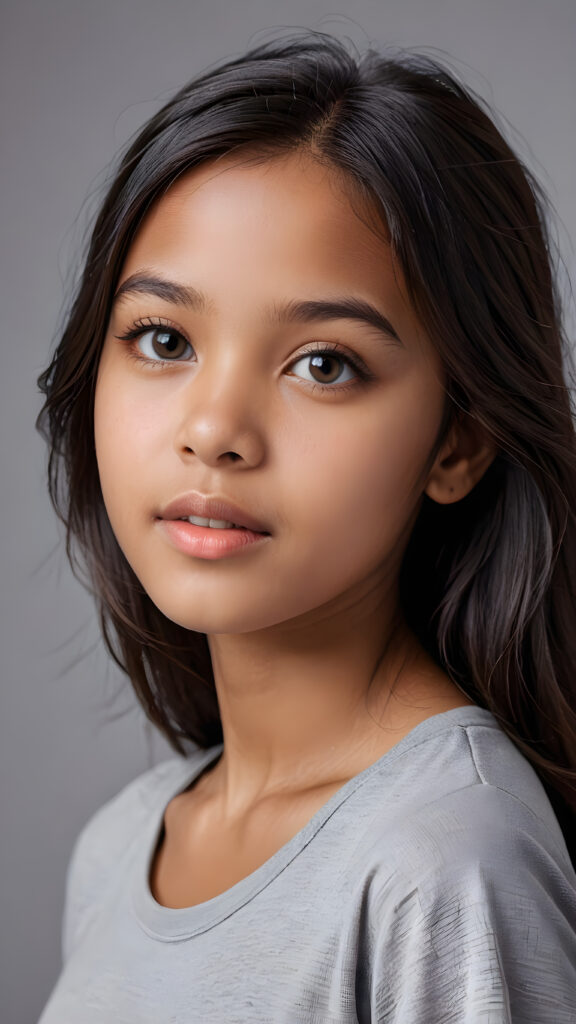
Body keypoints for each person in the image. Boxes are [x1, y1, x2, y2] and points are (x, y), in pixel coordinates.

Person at [36, 29, 576, 1023]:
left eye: (323, 364)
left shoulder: (445, 861)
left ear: (459, 442)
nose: (214, 430)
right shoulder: (118, 850)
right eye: (164, 339)